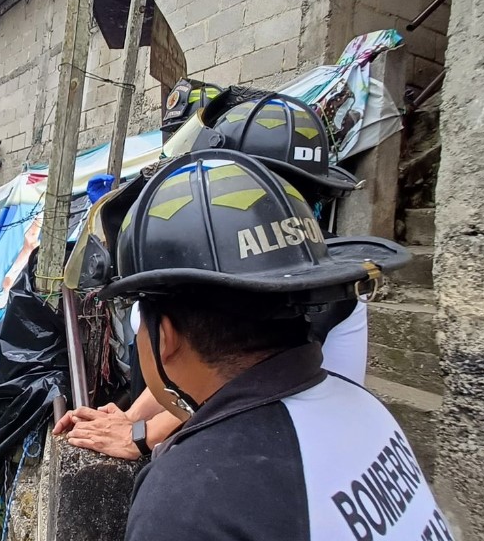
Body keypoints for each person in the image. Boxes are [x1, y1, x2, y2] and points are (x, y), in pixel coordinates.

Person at [98, 149, 449, 539]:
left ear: (163, 338)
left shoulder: (192, 498)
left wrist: (143, 436)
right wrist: (131, 421)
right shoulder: (365, 407)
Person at [57, 92, 370, 459]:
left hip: (290, 451)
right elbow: (193, 359)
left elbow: (231, 375)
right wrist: (130, 417)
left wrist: (140, 436)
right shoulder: (253, 259)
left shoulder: (305, 278)